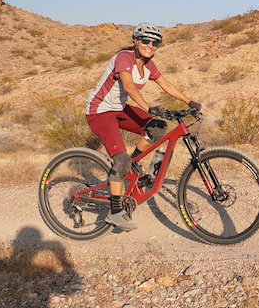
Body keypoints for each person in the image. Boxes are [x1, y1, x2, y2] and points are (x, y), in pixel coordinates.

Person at [84, 22, 201, 231]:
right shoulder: (124, 57)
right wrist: (149, 107)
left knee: (157, 126)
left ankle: (134, 162)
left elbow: (166, 84)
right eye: (146, 40)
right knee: (120, 159)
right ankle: (115, 212)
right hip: (99, 111)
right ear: (136, 41)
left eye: (155, 42)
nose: (150, 45)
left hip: (118, 109)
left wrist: (189, 102)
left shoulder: (148, 65)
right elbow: (128, 86)